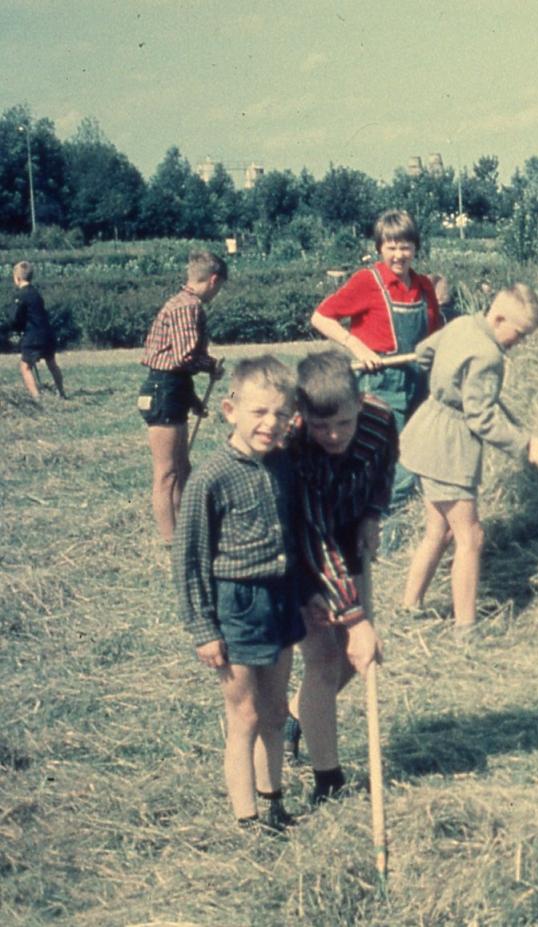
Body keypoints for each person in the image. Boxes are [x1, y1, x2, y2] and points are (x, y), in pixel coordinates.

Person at [173, 356, 304, 831]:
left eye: (281, 414)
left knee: (274, 708)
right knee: (244, 713)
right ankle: (246, 816)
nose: (271, 423)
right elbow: (189, 559)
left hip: (282, 598)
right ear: (230, 410)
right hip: (238, 605)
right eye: (259, 412)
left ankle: (274, 802)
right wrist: (204, 628)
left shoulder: (285, 465)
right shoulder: (210, 478)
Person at [399, 284, 538, 628]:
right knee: (471, 537)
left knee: (438, 529)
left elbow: (424, 353)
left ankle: (408, 607)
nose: (520, 342)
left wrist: (449, 380)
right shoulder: (489, 356)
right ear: (499, 319)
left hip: (427, 428)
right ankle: (466, 630)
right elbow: (481, 417)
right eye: (520, 334)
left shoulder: (462, 324)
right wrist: (525, 444)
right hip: (449, 448)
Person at [285, 350, 395, 801]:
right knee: (325, 659)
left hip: (347, 540)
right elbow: (311, 535)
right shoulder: (292, 446)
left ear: (360, 403)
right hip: (299, 553)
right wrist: (354, 618)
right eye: (320, 425)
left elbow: (384, 469)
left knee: (356, 659)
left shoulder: (381, 420)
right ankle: (328, 779)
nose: (333, 435)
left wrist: (372, 511)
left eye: (344, 423)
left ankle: (297, 717)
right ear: (302, 414)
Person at [310, 210, 444, 512]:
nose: (399, 255)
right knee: (395, 466)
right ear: (379, 248)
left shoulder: (424, 286)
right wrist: (357, 346)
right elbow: (321, 316)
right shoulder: (367, 282)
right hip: (382, 382)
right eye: (391, 247)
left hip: (419, 382)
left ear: (415, 247)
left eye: (405, 246)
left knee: (420, 456)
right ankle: (383, 541)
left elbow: (435, 336)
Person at [139, 250, 227, 544]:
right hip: (164, 390)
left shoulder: (182, 303)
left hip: (172, 387)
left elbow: (178, 364)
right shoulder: (188, 307)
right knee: (167, 473)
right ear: (213, 280)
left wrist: (192, 399)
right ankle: (170, 542)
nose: (218, 293)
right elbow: (183, 357)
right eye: (220, 287)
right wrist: (210, 365)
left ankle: (186, 532)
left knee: (181, 467)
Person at [11, 261, 66, 401]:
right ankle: (61, 393)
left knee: (25, 367)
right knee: (52, 364)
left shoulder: (21, 296)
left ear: (17, 278)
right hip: (47, 334)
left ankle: (37, 398)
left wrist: (15, 330)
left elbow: (16, 319)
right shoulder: (36, 293)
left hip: (33, 336)